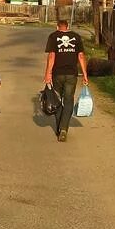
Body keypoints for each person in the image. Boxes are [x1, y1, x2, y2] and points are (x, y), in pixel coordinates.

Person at [43, 13, 89, 142]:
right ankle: (64, 128)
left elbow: (52, 56)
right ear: (68, 27)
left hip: (57, 74)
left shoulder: (53, 36)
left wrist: (47, 73)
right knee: (68, 100)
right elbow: (81, 56)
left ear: (57, 27)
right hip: (71, 74)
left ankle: (59, 128)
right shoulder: (76, 36)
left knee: (57, 100)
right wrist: (85, 74)